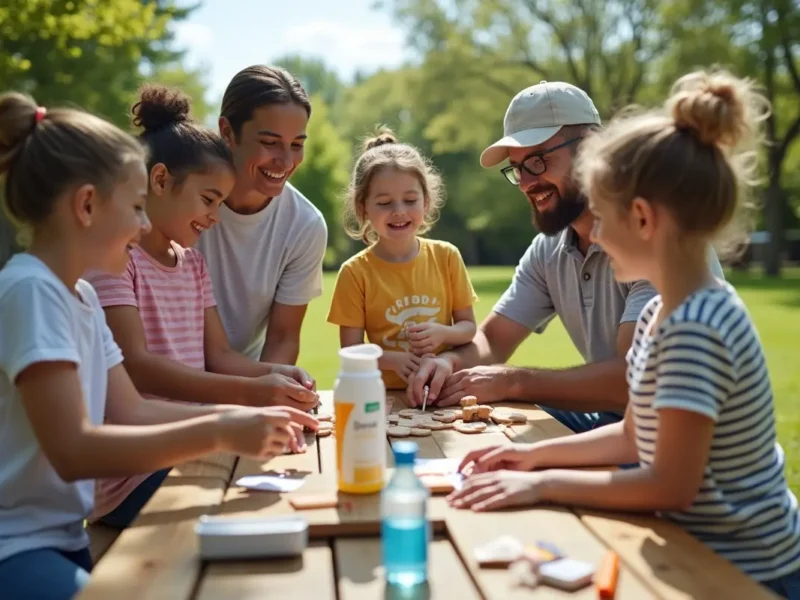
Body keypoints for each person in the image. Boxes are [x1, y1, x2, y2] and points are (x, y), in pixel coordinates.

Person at [449, 69, 800, 598]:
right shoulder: (665, 309)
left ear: (641, 219)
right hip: (694, 546)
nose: (595, 235)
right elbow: (634, 437)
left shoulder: (695, 327)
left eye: (604, 219)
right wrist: (531, 457)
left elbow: (669, 486)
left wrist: (540, 482)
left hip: (745, 570)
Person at [0, 93, 318, 600]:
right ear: (86, 205)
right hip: (15, 548)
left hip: (57, 541)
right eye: (134, 208)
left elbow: (130, 409)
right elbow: (73, 449)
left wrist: (239, 416)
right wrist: (219, 429)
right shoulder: (31, 291)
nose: (145, 225)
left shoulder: (77, 294)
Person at [408, 80, 725, 433]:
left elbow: (629, 381)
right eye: (517, 169)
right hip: (621, 428)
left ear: (591, 146)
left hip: (666, 442)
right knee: (498, 435)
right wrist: (448, 365)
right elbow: (494, 339)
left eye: (538, 161)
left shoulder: (650, 236)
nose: (527, 183)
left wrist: (512, 381)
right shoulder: (550, 248)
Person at [85, 85, 320, 530]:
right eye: (209, 200)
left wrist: (276, 377)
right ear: (159, 180)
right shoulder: (117, 261)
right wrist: (250, 397)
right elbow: (136, 365)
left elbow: (222, 357)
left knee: (282, 498)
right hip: (135, 473)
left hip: (191, 448)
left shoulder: (191, 262)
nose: (215, 216)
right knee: (250, 519)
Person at [196, 65, 328, 365]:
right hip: (175, 379)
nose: (285, 160)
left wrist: (268, 392)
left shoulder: (305, 226)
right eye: (269, 143)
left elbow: (283, 338)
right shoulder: (183, 202)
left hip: (247, 377)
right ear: (228, 132)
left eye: (297, 145)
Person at [327, 128, 477, 389]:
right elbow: (351, 351)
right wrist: (391, 360)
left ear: (426, 202)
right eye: (384, 203)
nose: (399, 212)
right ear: (363, 208)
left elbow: (468, 328)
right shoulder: (354, 273)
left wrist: (443, 333)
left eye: (410, 200)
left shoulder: (447, 256)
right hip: (382, 398)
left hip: (441, 392)